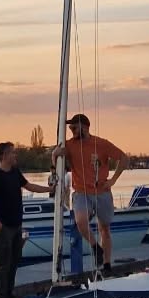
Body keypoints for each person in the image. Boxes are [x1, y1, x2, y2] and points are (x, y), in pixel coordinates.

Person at [50, 113, 125, 276]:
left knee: (104, 228)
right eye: (70, 128)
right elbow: (56, 165)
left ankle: (106, 264)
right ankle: (94, 246)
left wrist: (113, 180)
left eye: (74, 128)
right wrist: (54, 155)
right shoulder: (69, 145)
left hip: (102, 192)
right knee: (81, 221)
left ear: (84, 127)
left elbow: (124, 158)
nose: (71, 131)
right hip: (81, 192)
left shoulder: (101, 144)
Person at [0, 141, 50, 298]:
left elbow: (29, 186)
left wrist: (50, 189)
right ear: (4, 156)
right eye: (12, 153)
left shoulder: (15, 173)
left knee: (13, 263)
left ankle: (10, 295)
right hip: (3, 228)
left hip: (16, 225)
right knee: (3, 265)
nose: (15, 156)